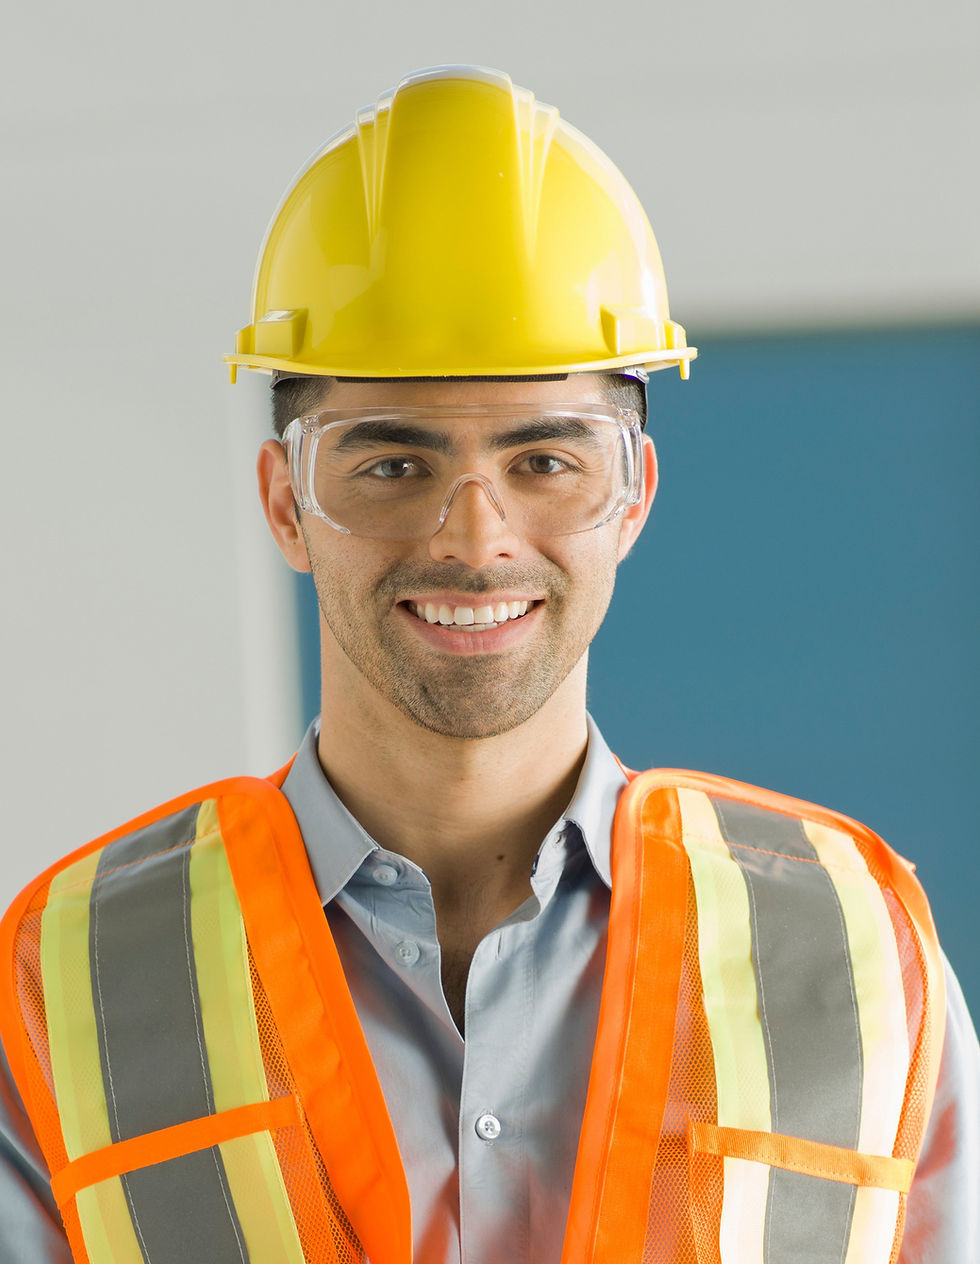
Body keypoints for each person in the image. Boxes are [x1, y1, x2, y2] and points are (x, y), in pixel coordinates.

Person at [0, 65, 976, 1264]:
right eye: (391, 464)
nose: (472, 538)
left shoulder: (846, 946)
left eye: (545, 462)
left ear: (633, 497)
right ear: (284, 503)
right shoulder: (77, 976)